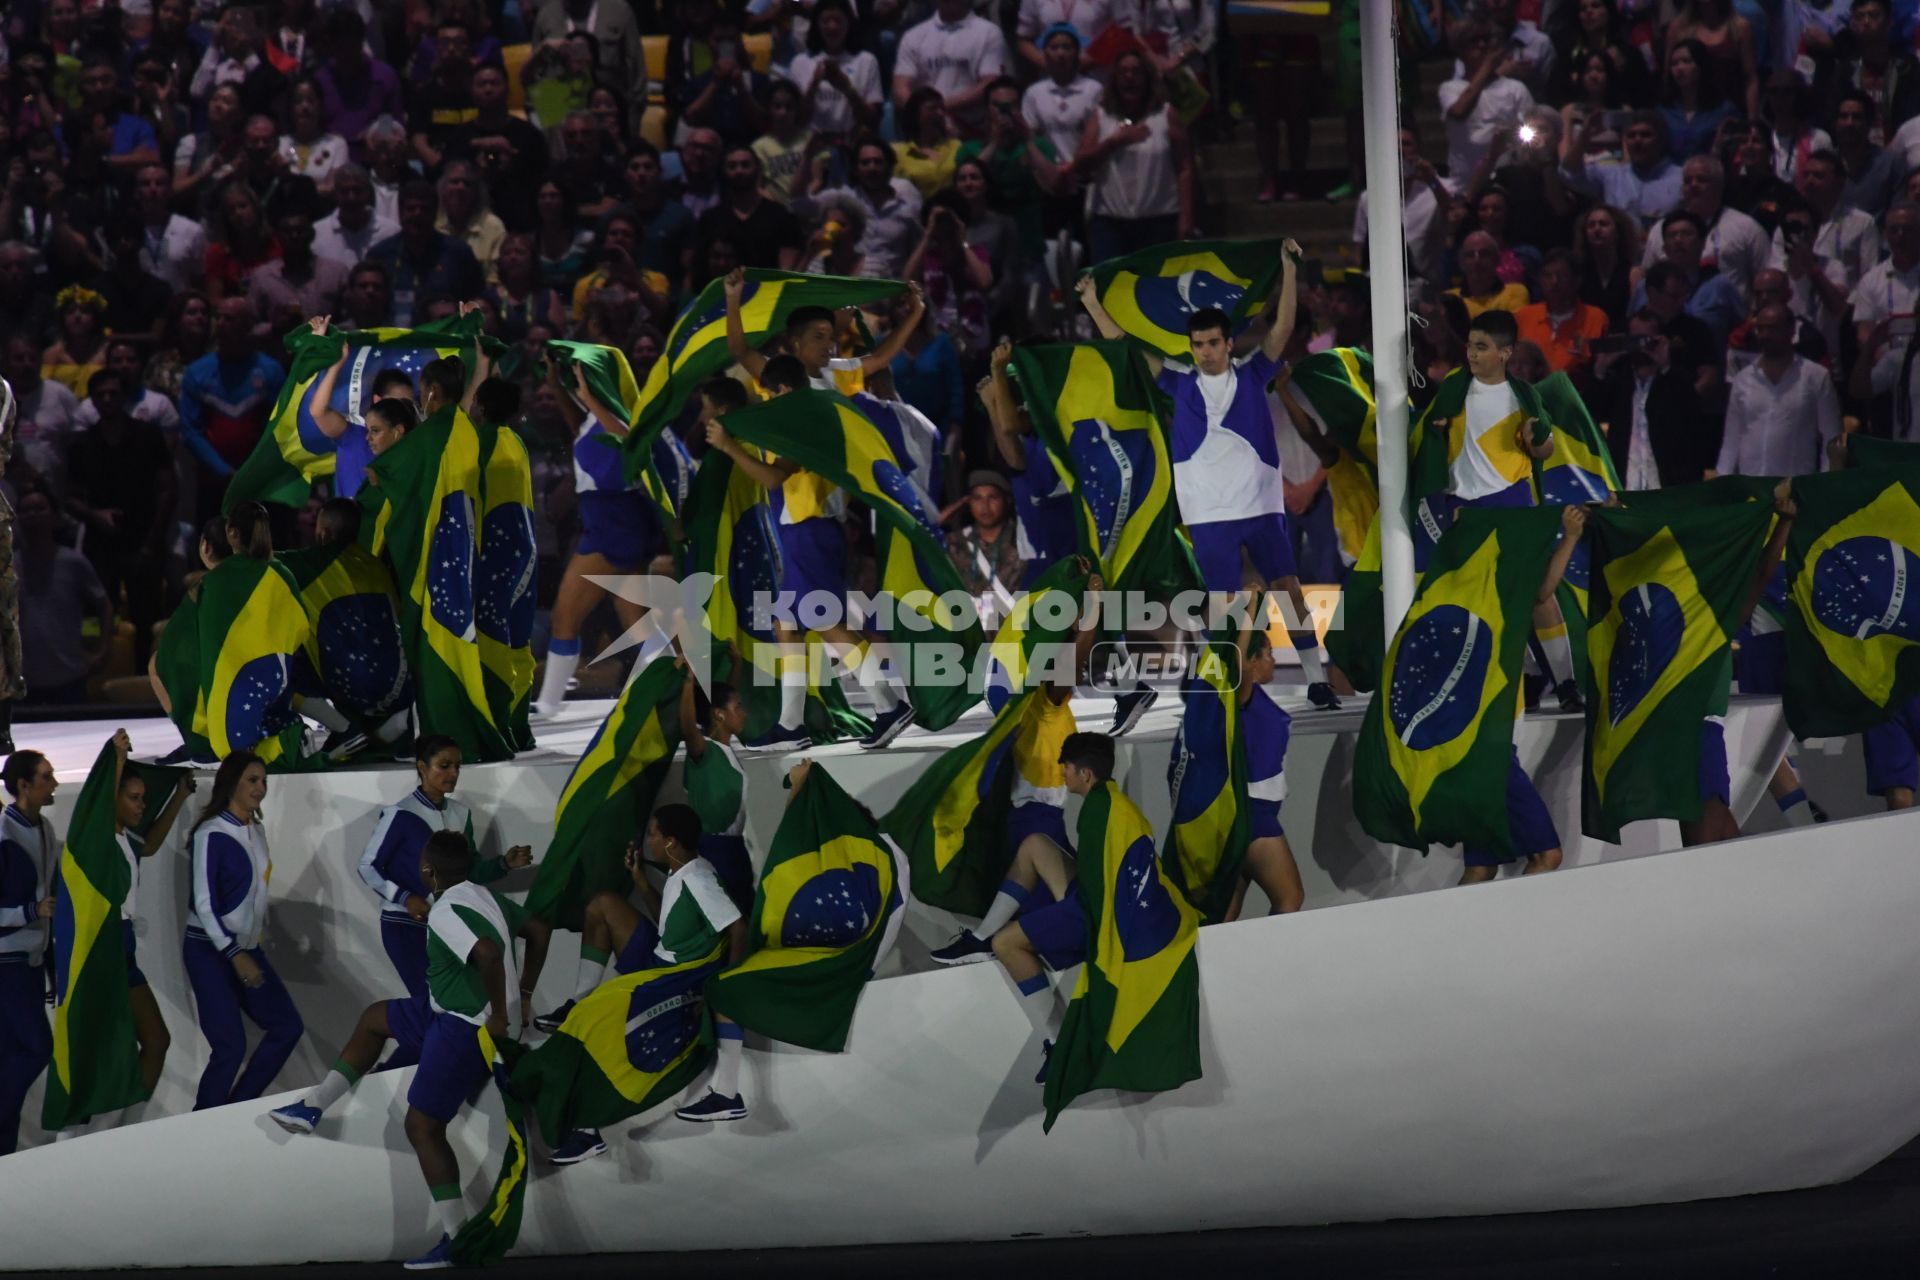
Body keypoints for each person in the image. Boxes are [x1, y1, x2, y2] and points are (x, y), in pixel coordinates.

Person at [269, 829, 552, 1270]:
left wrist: (499, 1015)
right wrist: (526, 993)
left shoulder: (445, 911)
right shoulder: (482, 895)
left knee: (421, 1126)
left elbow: (489, 955)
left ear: (428, 871)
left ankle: (456, 1240)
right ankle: (313, 1105)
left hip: (465, 1026)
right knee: (376, 1018)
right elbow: (538, 929)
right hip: (444, 1010)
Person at [1078, 249, 1340, 711]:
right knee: (1221, 605)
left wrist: (1291, 270)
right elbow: (1125, 346)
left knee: (1288, 588)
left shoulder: (1257, 370)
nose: (1206, 351)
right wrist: (1094, 305)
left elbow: (1281, 327)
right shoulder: (1178, 381)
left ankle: (1317, 678)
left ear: (1228, 342)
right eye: (1198, 344)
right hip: (1208, 513)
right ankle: (1221, 677)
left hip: (1259, 506)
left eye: (1214, 343)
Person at [703, 353, 917, 749]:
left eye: (769, 395)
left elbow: (773, 477)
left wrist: (729, 447)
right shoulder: (806, 413)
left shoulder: (803, 421)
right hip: (802, 533)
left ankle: (890, 706)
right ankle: (791, 725)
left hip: (810, 532)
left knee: (826, 623)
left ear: (782, 390)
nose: (766, 403)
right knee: (787, 626)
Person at [536, 803, 750, 1157]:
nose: (646, 840)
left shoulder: (698, 878)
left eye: (652, 834)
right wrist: (639, 881)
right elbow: (669, 929)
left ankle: (588, 1130)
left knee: (596, 1023)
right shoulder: (683, 872)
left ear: (670, 841)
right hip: (659, 958)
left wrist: (732, 979)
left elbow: (736, 925)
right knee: (603, 903)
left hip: (673, 977)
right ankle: (577, 999)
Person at [930, 567, 1104, 968]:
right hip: (1039, 821)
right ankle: (983, 942)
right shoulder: (1044, 700)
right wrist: (1092, 607)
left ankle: (980, 939)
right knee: (1066, 936)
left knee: (1051, 933)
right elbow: (1078, 655)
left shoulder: (1010, 691)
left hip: (1025, 819)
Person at [1436, 309, 1581, 706]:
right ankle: (1532, 672)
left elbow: (1545, 448)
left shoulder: (1524, 395)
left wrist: (1537, 441)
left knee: (1538, 593)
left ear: (1505, 353)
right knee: (1480, 598)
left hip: (1513, 501)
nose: (1472, 354)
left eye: (1481, 347)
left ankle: (1566, 683)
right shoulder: (1453, 386)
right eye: (1469, 345)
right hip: (1464, 507)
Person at [528, 361, 666, 718]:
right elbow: (582, 429)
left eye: (584, 380)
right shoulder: (593, 419)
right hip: (615, 522)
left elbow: (627, 439)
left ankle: (548, 703)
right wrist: (560, 389)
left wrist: (590, 396)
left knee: (564, 615)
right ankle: (676, 686)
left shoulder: (620, 418)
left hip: (612, 525)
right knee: (636, 619)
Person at [1460, 505, 1585, 884]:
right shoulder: (1495, 589)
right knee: (1547, 855)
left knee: (1482, 867)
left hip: (1479, 751)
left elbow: (1541, 592)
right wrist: (1571, 538)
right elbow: (1542, 592)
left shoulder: (1463, 589)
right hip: (1494, 756)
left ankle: (1450, 937)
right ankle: (1511, 936)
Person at [358, 736, 532, 1004]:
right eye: (444, 766)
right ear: (422, 767)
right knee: (433, 1006)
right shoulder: (400, 813)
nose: (453, 774)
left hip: (447, 922)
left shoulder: (461, 814)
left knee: (451, 1007)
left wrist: (503, 864)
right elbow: (368, 866)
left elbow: (468, 872)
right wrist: (405, 898)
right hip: (405, 925)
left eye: (458, 767)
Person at [183, 751, 304, 1111]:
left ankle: (235, 1111)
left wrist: (252, 944)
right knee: (230, 1046)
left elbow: (256, 893)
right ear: (232, 782)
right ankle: (201, 1127)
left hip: (246, 950)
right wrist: (235, 954)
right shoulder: (210, 832)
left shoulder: (257, 829)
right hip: (209, 950)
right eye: (253, 780)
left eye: (264, 780)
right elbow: (204, 904)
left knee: (287, 1027)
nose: (261, 787)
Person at [65, 368, 176, 670]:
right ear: (92, 400)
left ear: (125, 396)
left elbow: (167, 490)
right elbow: (69, 497)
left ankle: (148, 681)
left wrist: (151, 544)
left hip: (144, 540)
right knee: (97, 617)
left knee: (147, 620)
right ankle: (97, 678)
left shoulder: (148, 436)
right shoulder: (81, 444)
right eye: (100, 394)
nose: (108, 399)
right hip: (101, 545)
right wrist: (95, 515)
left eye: (114, 393)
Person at [104, 729, 192, 1104]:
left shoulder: (127, 839)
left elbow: (152, 842)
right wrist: (118, 757)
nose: (142, 805)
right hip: (105, 949)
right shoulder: (102, 835)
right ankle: (87, 1134)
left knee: (156, 1041)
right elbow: (103, 805)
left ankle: (122, 1127)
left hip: (125, 953)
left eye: (144, 799)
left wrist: (180, 796)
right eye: (134, 798)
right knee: (108, 1052)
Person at [1075, 49, 1194, 263]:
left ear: (1147, 78)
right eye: (1123, 73)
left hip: (1159, 221)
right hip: (1111, 223)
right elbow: (1081, 164)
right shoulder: (1101, 116)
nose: (1130, 78)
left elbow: (1184, 167)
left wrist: (1186, 217)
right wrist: (1114, 142)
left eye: (1136, 72)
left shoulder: (1166, 115)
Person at [177, 295, 284, 520]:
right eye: (219, 317)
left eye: (230, 318)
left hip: (261, 483)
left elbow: (280, 426)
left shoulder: (270, 371)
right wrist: (225, 472)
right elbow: (191, 431)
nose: (221, 323)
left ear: (247, 325)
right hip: (213, 482)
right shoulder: (198, 372)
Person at [0, 748, 57, 1155]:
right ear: (23, 785)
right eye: (46, 777)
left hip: (32, 960)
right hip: (8, 961)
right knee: (37, 1048)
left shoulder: (46, 829)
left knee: (11, 1058)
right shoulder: (3, 835)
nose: (53, 783)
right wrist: (31, 911)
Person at [1714, 305, 1841, 477]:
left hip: (1795, 491)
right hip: (1751, 491)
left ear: (1791, 331)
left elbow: (1832, 439)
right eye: (1761, 329)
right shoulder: (1742, 380)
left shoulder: (1816, 377)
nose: (1766, 335)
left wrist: (1828, 484)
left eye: (1773, 329)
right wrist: (1722, 481)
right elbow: (1732, 439)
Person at [1595, 312, 1716, 489]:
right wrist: (1600, 370)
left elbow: (1691, 417)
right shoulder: (1620, 384)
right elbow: (1592, 413)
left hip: (1668, 491)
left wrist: (1665, 366)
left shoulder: (1676, 382)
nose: (1641, 348)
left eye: (1647, 341)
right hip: (1626, 489)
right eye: (1635, 341)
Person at [1641, 155, 1770, 303]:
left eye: (1702, 180)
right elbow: (1648, 278)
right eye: (1688, 181)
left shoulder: (1747, 228)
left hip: (1731, 318)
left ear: (1720, 185)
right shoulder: (1661, 230)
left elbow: (1765, 279)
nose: (1694, 185)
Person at [368, 181, 485, 329]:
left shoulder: (458, 253)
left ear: (435, 212)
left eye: (424, 209)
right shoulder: (381, 254)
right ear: (400, 212)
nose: (417, 214)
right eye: (411, 209)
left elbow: (475, 302)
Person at [893, 0, 1009, 137]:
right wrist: (923, 113)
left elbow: (990, 84)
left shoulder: (989, 32)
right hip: (926, 134)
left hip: (970, 133)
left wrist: (937, 108)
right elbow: (900, 87)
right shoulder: (913, 36)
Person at [1440, 20, 1537, 185]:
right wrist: (1487, 67)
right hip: (1464, 183)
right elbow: (1459, 111)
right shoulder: (1450, 88)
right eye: (1474, 42)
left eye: (1486, 40)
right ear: (1461, 51)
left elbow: (1532, 133)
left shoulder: (1516, 89)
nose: (1482, 46)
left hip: (1507, 181)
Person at [1559, 109, 1683, 225]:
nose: (1637, 140)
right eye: (1631, 136)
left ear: (1661, 140)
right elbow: (1568, 172)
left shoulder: (1681, 177)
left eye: (1645, 135)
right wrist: (1584, 137)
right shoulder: (1610, 174)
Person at [783, 0, 883, 141]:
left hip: (851, 143)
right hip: (811, 144)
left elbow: (872, 120)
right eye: (825, 21)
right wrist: (814, 85)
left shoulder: (866, 61)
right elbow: (797, 120)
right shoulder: (801, 62)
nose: (832, 26)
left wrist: (847, 88)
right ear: (817, 25)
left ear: (849, 24)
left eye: (838, 20)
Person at [248, 208, 349, 336]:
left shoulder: (336, 273)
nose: (294, 236)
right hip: (279, 352)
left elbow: (350, 320)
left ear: (312, 234)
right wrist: (274, 327)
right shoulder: (263, 277)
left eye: (300, 231)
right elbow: (251, 326)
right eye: (288, 232)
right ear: (277, 237)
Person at [945, 470, 1026, 627]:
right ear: (968, 503)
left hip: (1013, 637)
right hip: (969, 638)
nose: (985, 506)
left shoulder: (1024, 543)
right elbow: (921, 536)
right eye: (977, 498)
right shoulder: (955, 542)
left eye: (992, 497)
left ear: (1006, 500)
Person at [1516, 249, 1610, 383]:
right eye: (1548, 275)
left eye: (1562, 276)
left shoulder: (1595, 318)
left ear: (1577, 281)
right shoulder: (1524, 316)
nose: (1554, 282)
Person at [1022, 23, 1102, 166]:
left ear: (1077, 53)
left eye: (1066, 47)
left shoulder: (1093, 90)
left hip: (1084, 171)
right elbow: (1031, 137)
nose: (1060, 54)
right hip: (1048, 173)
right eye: (1054, 48)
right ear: (1044, 53)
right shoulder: (1034, 93)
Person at [1450, 230, 1531, 318]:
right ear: (1462, 263)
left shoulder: (1515, 292)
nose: (1477, 261)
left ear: (1497, 260)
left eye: (1484, 254)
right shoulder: (1450, 298)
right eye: (1470, 255)